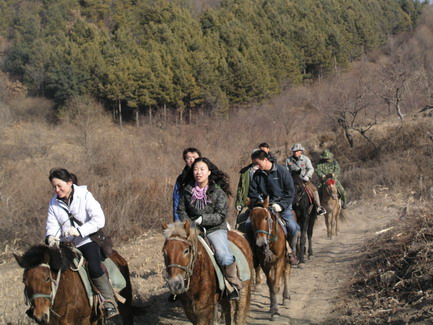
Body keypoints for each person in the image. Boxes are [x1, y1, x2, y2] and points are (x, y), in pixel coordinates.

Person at [45, 168, 119, 319]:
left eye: (60, 186)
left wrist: (79, 231)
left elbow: (99, 219)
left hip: (87, 240)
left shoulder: (85, 195)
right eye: (54, 187)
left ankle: (108, 302)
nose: (57, 190)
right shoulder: (53, 203)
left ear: (70, 182)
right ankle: (45, 306)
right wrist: (51, 237)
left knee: (93, 266)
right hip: (65, 245)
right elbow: (52, 225)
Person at [177, 157, 243, 299]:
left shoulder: (218, 192)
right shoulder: (186, 191)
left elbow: (221, 215)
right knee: (176, 251)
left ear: (209, 172)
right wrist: (189, 224)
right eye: (195, 169)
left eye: (202, 169)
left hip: (215, 228)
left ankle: (232, 284)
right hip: (192, 229)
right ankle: (177, 286)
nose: (198, 172)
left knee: (222, 254)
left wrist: (203, 219)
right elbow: (181, 210)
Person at [248, 150, 300, 265]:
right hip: (263, 208)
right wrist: (259, 202)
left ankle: (291, 251)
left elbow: (290, 192)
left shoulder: (282, 171)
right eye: (254, 164)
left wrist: (281, 205)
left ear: (265, 160)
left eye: (257, 163)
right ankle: (254, 255)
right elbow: (252, 193)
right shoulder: (257, 175)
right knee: (247, 225)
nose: (256, 166)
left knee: (293, 228)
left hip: (282, 206)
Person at [286, 144, 326, 215]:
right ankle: (285, 207)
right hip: (293, 181)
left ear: (301, 151)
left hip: (304, 180)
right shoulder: (288, 160)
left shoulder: (306, 159)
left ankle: (318, 207)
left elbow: (311, 168)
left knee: (314, 190)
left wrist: (307, 176)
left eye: (297, 151)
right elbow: (286, 171)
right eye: (294, 151)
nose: (295, 152)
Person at [172, 148, 202, 222]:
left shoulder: (208, 176)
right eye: (188, 158)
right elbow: (177, 200)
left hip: (207, 217)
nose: (192, 160)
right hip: (186, 217)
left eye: (194, 157)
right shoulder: (182, 179)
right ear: (185, 160)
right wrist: (177, 220)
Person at [235, 149, 260, 230]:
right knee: (240, 220)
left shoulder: (265, 170)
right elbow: (240, 189)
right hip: (247, 201)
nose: (256, 160)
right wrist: (239, 202)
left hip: (262, 202)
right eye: (254, 157)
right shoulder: (245, 172)